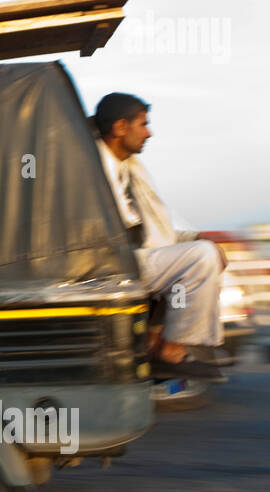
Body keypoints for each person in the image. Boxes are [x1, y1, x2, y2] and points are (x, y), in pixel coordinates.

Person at [92, 93, 227, 376]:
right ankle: (170, 351)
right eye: (143, 124)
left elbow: (151, 229)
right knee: (200, 258)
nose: (149, 133)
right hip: (110, 262)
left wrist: (194, 237)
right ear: (120, 128)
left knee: (205, 249)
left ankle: (154, 341)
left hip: (137, 256)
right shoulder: (91, 169)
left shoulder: (131, 169)